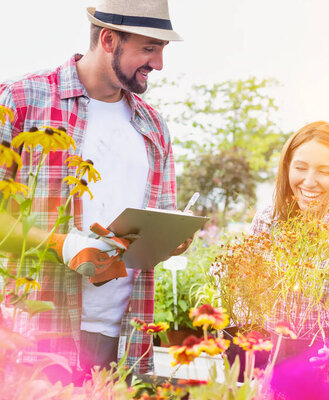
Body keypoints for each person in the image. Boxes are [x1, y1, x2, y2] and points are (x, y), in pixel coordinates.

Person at [0, 0, 188, 383]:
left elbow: (163, 216)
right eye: (149, 48)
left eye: (163, 50)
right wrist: (63, 245)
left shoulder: (154, 127)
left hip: (125, 340)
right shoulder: (21, 101)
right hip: (39, 332)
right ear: (108, 39)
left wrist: (173, 239)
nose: (159, 63)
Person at [249, 121, 329, 365]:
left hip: (321, 377)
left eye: (324, 171)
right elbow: (249, 300)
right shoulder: (267, 221)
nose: (309, 181)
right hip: (265, 370)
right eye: (300, 167)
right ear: (287, 167)